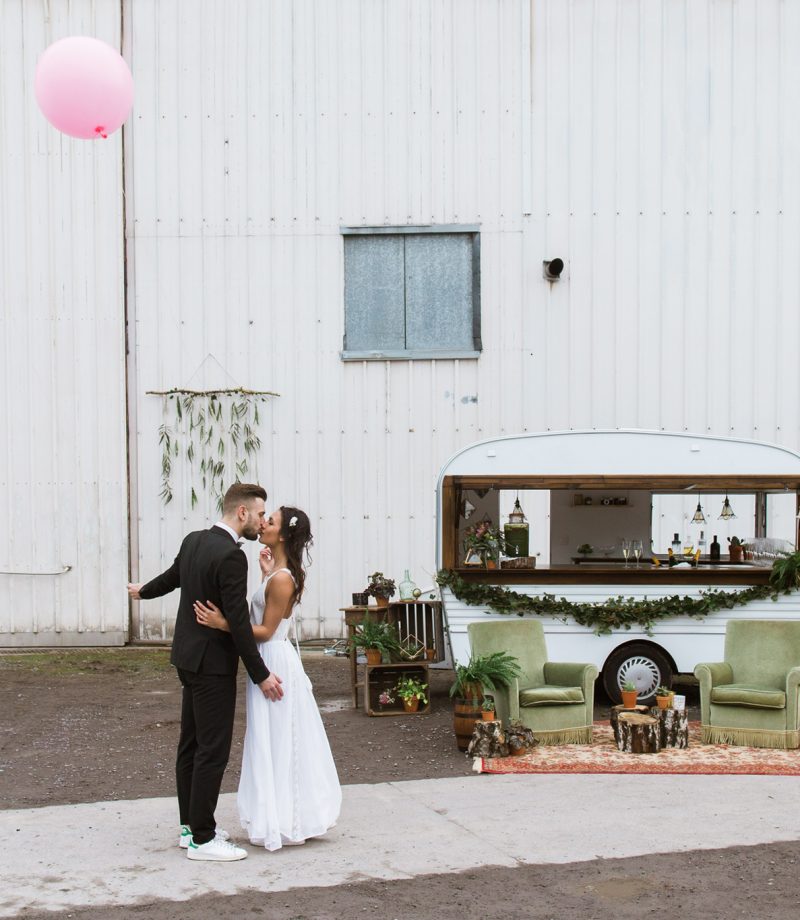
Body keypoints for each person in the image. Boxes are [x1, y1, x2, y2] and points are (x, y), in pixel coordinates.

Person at [127, 483, 283, 862]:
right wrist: (261, 674)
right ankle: (202, 838)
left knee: (191, 746)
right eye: (260, 514)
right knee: (212, 751)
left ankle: (189, 827)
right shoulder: (232, 556)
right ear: (242, 513)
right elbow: (239, 624)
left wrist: (142, 592)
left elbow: (171, 577)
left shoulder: (194, 540)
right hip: (212, 666)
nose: (262, 521)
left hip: (186, 659)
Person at [194, 505, 342, 851]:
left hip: (272, 660)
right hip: (269, 657)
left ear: (284, 535)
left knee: (276, 739)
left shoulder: (282, 578)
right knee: (272, 737)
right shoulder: (276, 574)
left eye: (270, 521)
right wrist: (265, 575)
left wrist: (224, 624)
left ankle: (286, 818)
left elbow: (265, 630)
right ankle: (284, 814)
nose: (263, 524)